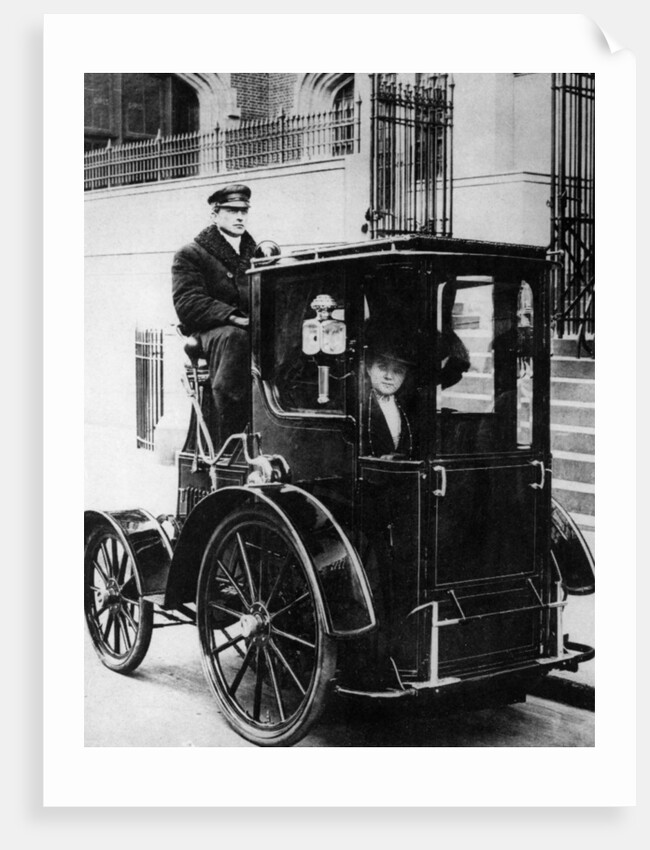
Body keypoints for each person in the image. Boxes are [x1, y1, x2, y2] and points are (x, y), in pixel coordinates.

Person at [172, 184, 256, 448]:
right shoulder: (192, 254)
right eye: (232, 211)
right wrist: (232, 316)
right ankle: (229, 440)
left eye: (243, 210)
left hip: (252, 325)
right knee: (235, 339)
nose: (240, 216)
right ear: (215, 214)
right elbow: (188, 303)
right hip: (214, 330)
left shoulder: (258, 253)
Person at [363, 338, 415, 459]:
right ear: (369, 369)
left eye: (398, 371)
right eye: (382, 367)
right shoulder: (361, 404)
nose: (389, 376)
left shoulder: (406, 404)